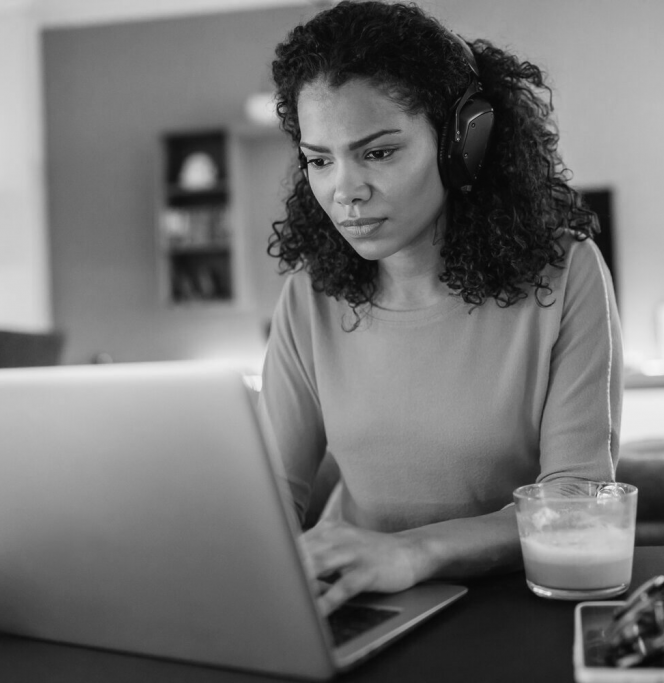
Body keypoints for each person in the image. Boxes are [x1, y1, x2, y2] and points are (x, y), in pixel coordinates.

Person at [258, 0, 623, 614]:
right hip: (356, 601)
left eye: (377, 152)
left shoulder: (567, 273)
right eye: (320, 160)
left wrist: (413, 552)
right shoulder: (308, 296)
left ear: (463, 144)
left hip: (514, 606)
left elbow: (577, 500)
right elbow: (270, 497)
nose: (344, 190)